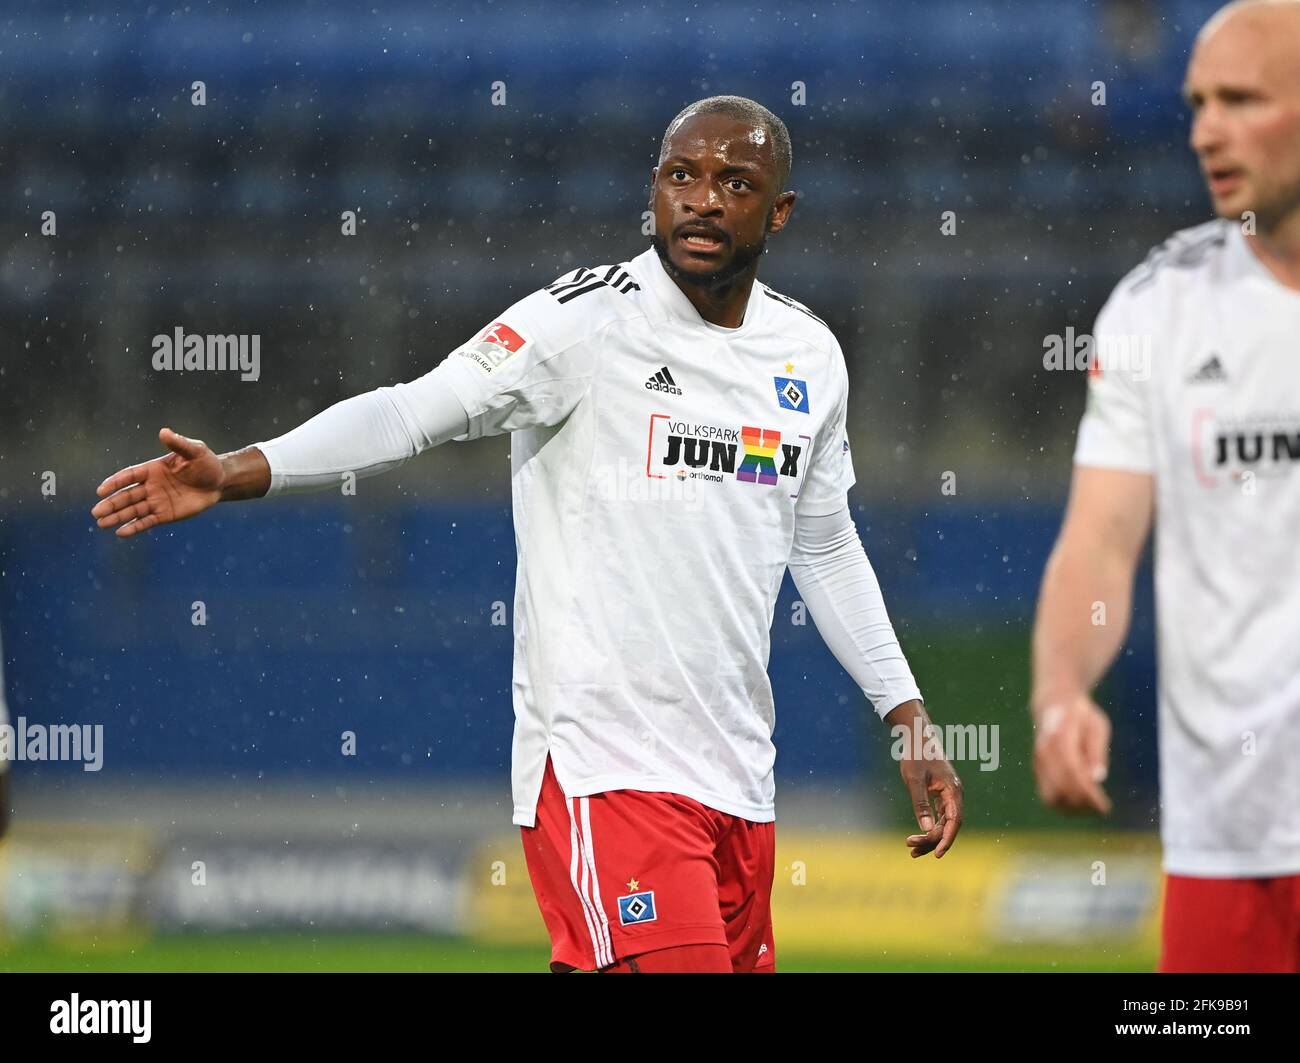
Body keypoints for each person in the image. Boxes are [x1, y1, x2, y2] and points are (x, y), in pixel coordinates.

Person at [92, 95, 963, 973]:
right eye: (681, 177)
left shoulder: (807, 353)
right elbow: (411, 412)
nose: (703, 199)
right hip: (603, 769)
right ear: (653, 192)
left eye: (735, 183)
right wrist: (241, 468)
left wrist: (908, 712)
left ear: (778, 212)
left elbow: (822, 543)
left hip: (737, 778)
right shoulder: (584, 321)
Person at [1031, 0, 1300, 972]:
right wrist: (1061, 689)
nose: (1203, 130)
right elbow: (1101, 542)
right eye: (1195, 102)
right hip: (1222, 847)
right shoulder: (1156, 308)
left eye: (1240, 100)